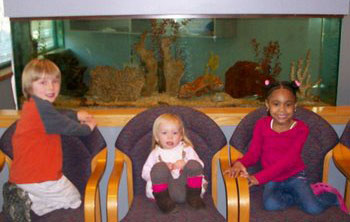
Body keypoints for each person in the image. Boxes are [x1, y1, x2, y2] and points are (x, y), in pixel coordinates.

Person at [225, 80, 344, 215]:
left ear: (295, 106)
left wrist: (257, 178)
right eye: (276, 104)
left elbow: (289, 161)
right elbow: (253, 153)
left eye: (288, 105)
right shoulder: (261, 125)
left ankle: (328, 195)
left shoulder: (301, 129)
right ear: (267, 105)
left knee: (313, 209)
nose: (282, 110)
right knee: (271, 205)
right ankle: (297, 197)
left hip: (295, 176)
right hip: (272, 178)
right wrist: (239, 163)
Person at [4, 58, 96, 220]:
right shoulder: (43, 111)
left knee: (48, 202)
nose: (51, 87)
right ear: (29, 86)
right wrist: (88, 127)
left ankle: (26, 199)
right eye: (43, 83)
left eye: (55, 82)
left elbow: (56, 115)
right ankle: (26, 199)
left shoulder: (33, 106)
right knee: (74, 200)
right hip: (40, 177)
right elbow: (72, 128)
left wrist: (75, 114)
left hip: (23, 176)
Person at [141, 113, 206, 213]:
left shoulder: (187, 149)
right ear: (157, 137)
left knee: (194, 164)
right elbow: (145, 173)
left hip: (186, 188)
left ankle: (194, 198)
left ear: (181, 136)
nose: (170, 137)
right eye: (164, 133)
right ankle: (164, 202)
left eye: (175, 133)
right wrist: (163, 169)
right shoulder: (155, 153)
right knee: (159, 168)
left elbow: (200, 166)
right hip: (166, 191)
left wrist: (185, 164)